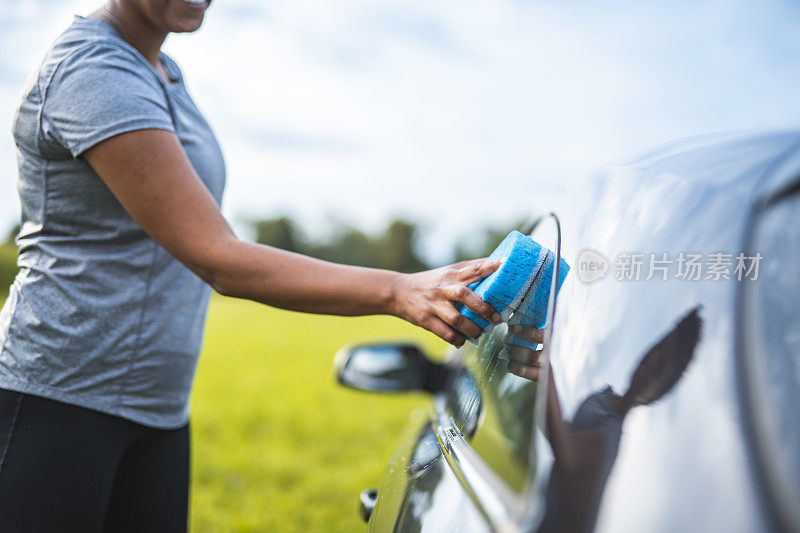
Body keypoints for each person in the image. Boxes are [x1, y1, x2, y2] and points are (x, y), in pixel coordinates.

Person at [0, 1, 502, 531]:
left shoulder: (164, 72)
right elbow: (218, 258)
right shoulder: (92, 69)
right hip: (59, 401)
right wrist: (397, 289)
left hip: (160, 409)